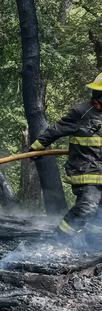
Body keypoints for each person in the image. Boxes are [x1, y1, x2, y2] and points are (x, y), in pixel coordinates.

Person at [30, 72, 102, 245]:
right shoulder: (81, 113)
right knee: (87, 208)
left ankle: (94, 244)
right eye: (96, 98)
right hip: (86, 170)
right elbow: (56, 130)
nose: (96, 102)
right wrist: (36, 148)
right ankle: (57, 242)